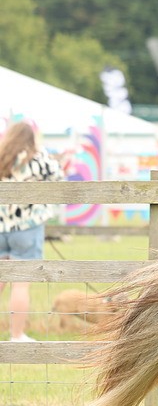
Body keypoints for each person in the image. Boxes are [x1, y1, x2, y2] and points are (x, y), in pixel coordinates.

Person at [0, 121, 67, 342]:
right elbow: (59, 179)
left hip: (1, 226)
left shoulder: (2, 158)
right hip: (27, 227)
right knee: (20, 284)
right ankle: (17, 335)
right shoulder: (38, 159)